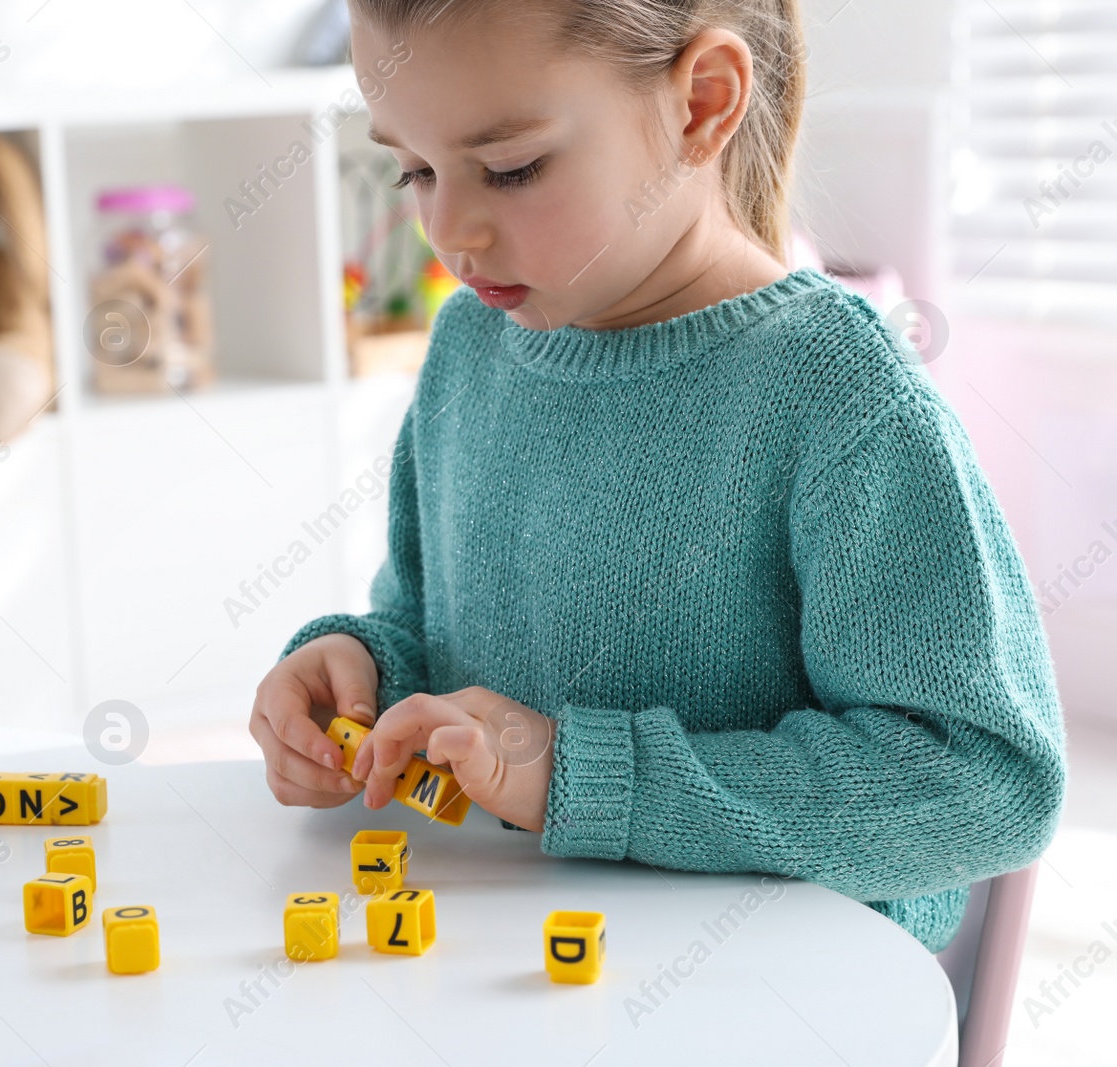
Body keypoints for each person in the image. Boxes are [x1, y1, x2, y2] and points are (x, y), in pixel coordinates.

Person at [247, 0, 1065, 953]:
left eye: (511, 168)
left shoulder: (836, 394)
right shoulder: (471, 349)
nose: (450, 231)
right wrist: (362, 675)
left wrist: (584, 777)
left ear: (701, 104)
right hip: (509, 968)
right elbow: (429, 632)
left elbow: (985, 783)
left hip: (776, 998)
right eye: (415, 169)